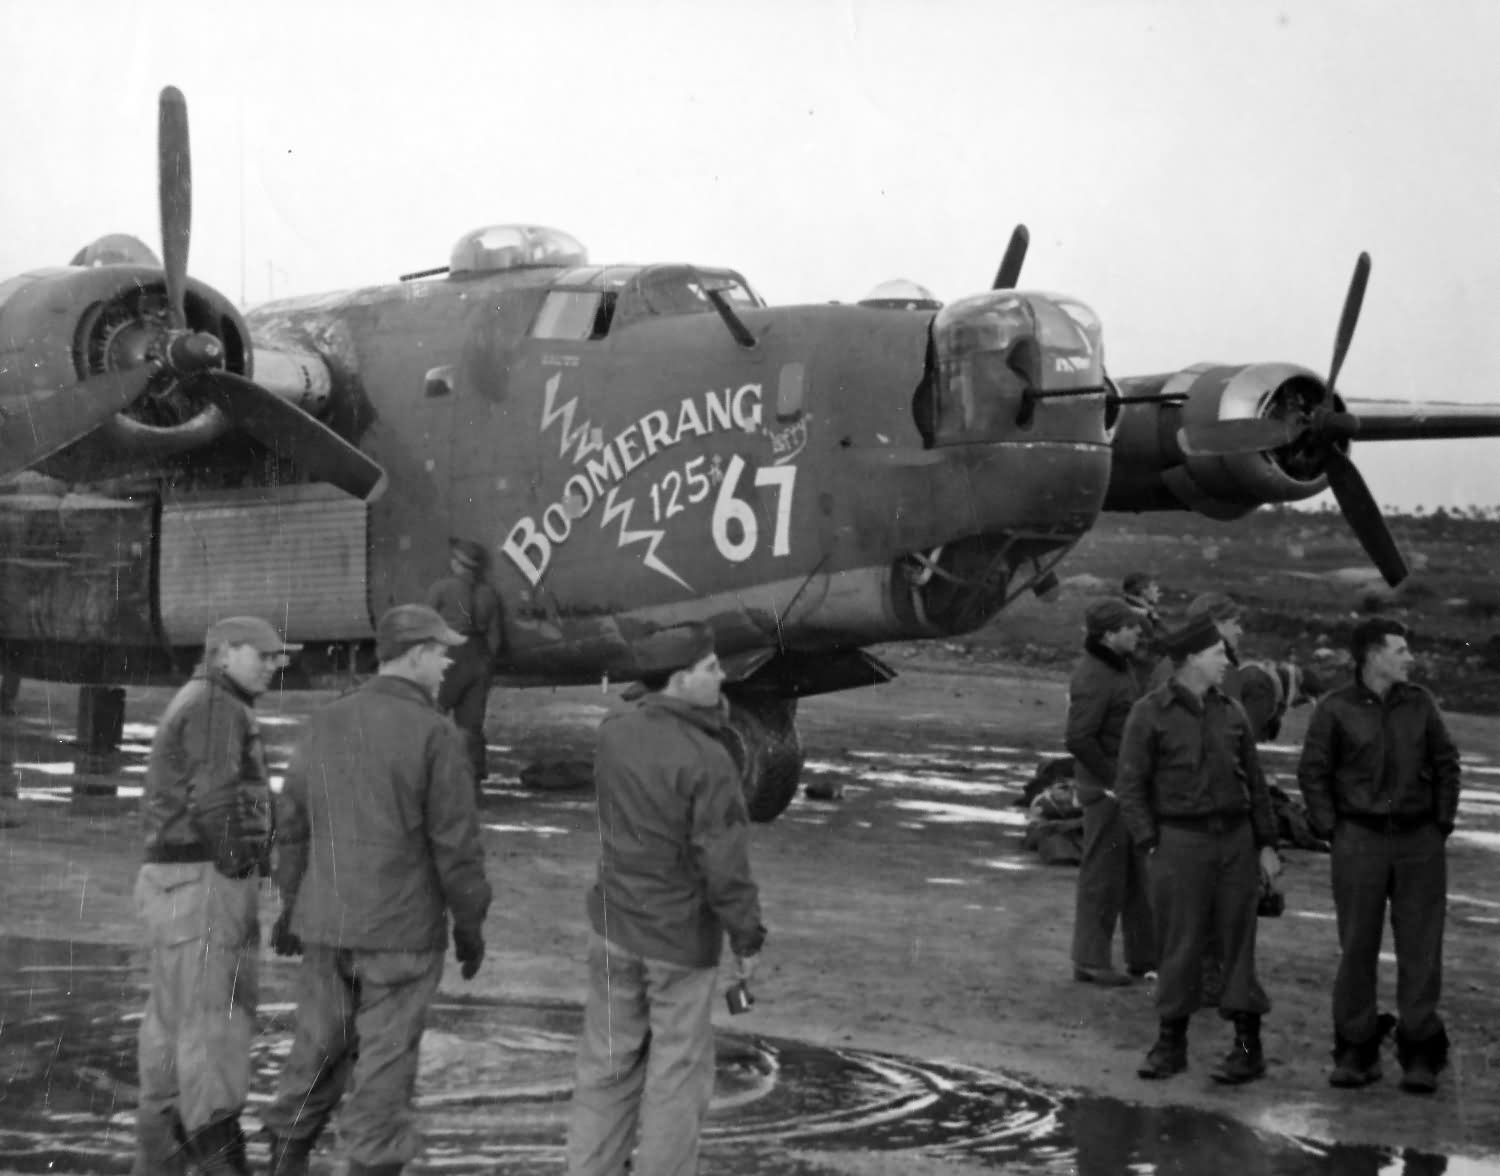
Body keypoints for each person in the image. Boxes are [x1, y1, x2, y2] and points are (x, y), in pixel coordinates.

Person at [262, 604, 493, 1176]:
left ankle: (284, 1155)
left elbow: (290, 825)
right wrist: (469, 926)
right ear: (416, 654)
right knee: (386, 1063)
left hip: (325, 921)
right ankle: (370, 1163)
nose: (446, 663)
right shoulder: (439, 735)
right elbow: (456, 848)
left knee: (317, 1047)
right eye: (441, 651)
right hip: (402, 932)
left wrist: (292, 907)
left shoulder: (324, 723)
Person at [566, 622, 767, 1176]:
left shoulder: (613, 734)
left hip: (613, 925)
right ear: (679, 680)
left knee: (605, 1069)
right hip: (678, 940)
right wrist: (747, 937)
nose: (721, 676)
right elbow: (724, 864)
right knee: (676, 1077)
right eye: (709, 668)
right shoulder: (708, 761)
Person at [133, 616, 299, 1175]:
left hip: (174, 882)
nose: (276, 665)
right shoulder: (217, 707)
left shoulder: (200, 699)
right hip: (203, 882)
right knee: (214, 1025)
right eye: (265, 655)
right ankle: (219, 1157)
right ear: (225, 652)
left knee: (172, 1026)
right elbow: (218, 795)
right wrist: (240, 868)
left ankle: (160, 1161)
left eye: (280, 657)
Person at [1296, 617, 1461, 1094]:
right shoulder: (1334, 708)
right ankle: (1356, 1046)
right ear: (1373, 656)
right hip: (1359, 840)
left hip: (1419, 842)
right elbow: (1313, 772)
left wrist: (1441, 824)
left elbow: (1447, 764)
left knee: (1421, 947)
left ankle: (1419, 1048)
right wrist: (1332, 829)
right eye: (1401, 649)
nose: (1411, 658)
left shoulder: (1421, 704)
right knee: (1357, 946)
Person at [1116, 614, 1281, 1085]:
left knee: (1238, 946)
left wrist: (1267, 845)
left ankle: (1248, 1051)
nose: (1226, 661)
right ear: (1190, 660)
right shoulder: (1149, 713)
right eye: (1216, 654)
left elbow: (1257, 784)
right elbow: (1129, 786)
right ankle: (1171, 1046)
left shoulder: (1232, 713)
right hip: (1179, 842)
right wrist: (1150, 842)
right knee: (1180, 945)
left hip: (1235, 842)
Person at [1066, 598, 1154, 985]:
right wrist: (1112, 781)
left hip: (1122, 791)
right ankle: (1091, 960)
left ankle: (1144, 958)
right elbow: (1079, 737)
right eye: (1130, 626)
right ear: (1109, 633)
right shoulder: (1096, 675)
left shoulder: (1116, 669)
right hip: (1108, 795)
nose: (1138, 632)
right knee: (1103, 877)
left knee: (1137, 877)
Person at [426, 538, 503, 798]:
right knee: (470, 727)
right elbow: (495, 638)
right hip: (479, 656)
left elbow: (424, 625)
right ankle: (473, 787)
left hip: (449, 653)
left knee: (429, 716)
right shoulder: (489, 594)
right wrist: (485, 663)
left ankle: (426, 782)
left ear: (458, 563)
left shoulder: (441, 589)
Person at [1121, 571, 1167, 666]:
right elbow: (1144, 651)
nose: (1157, 589)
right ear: (1143, 591)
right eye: (1154, 586)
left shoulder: (1145, 611)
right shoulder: (1136, 615)